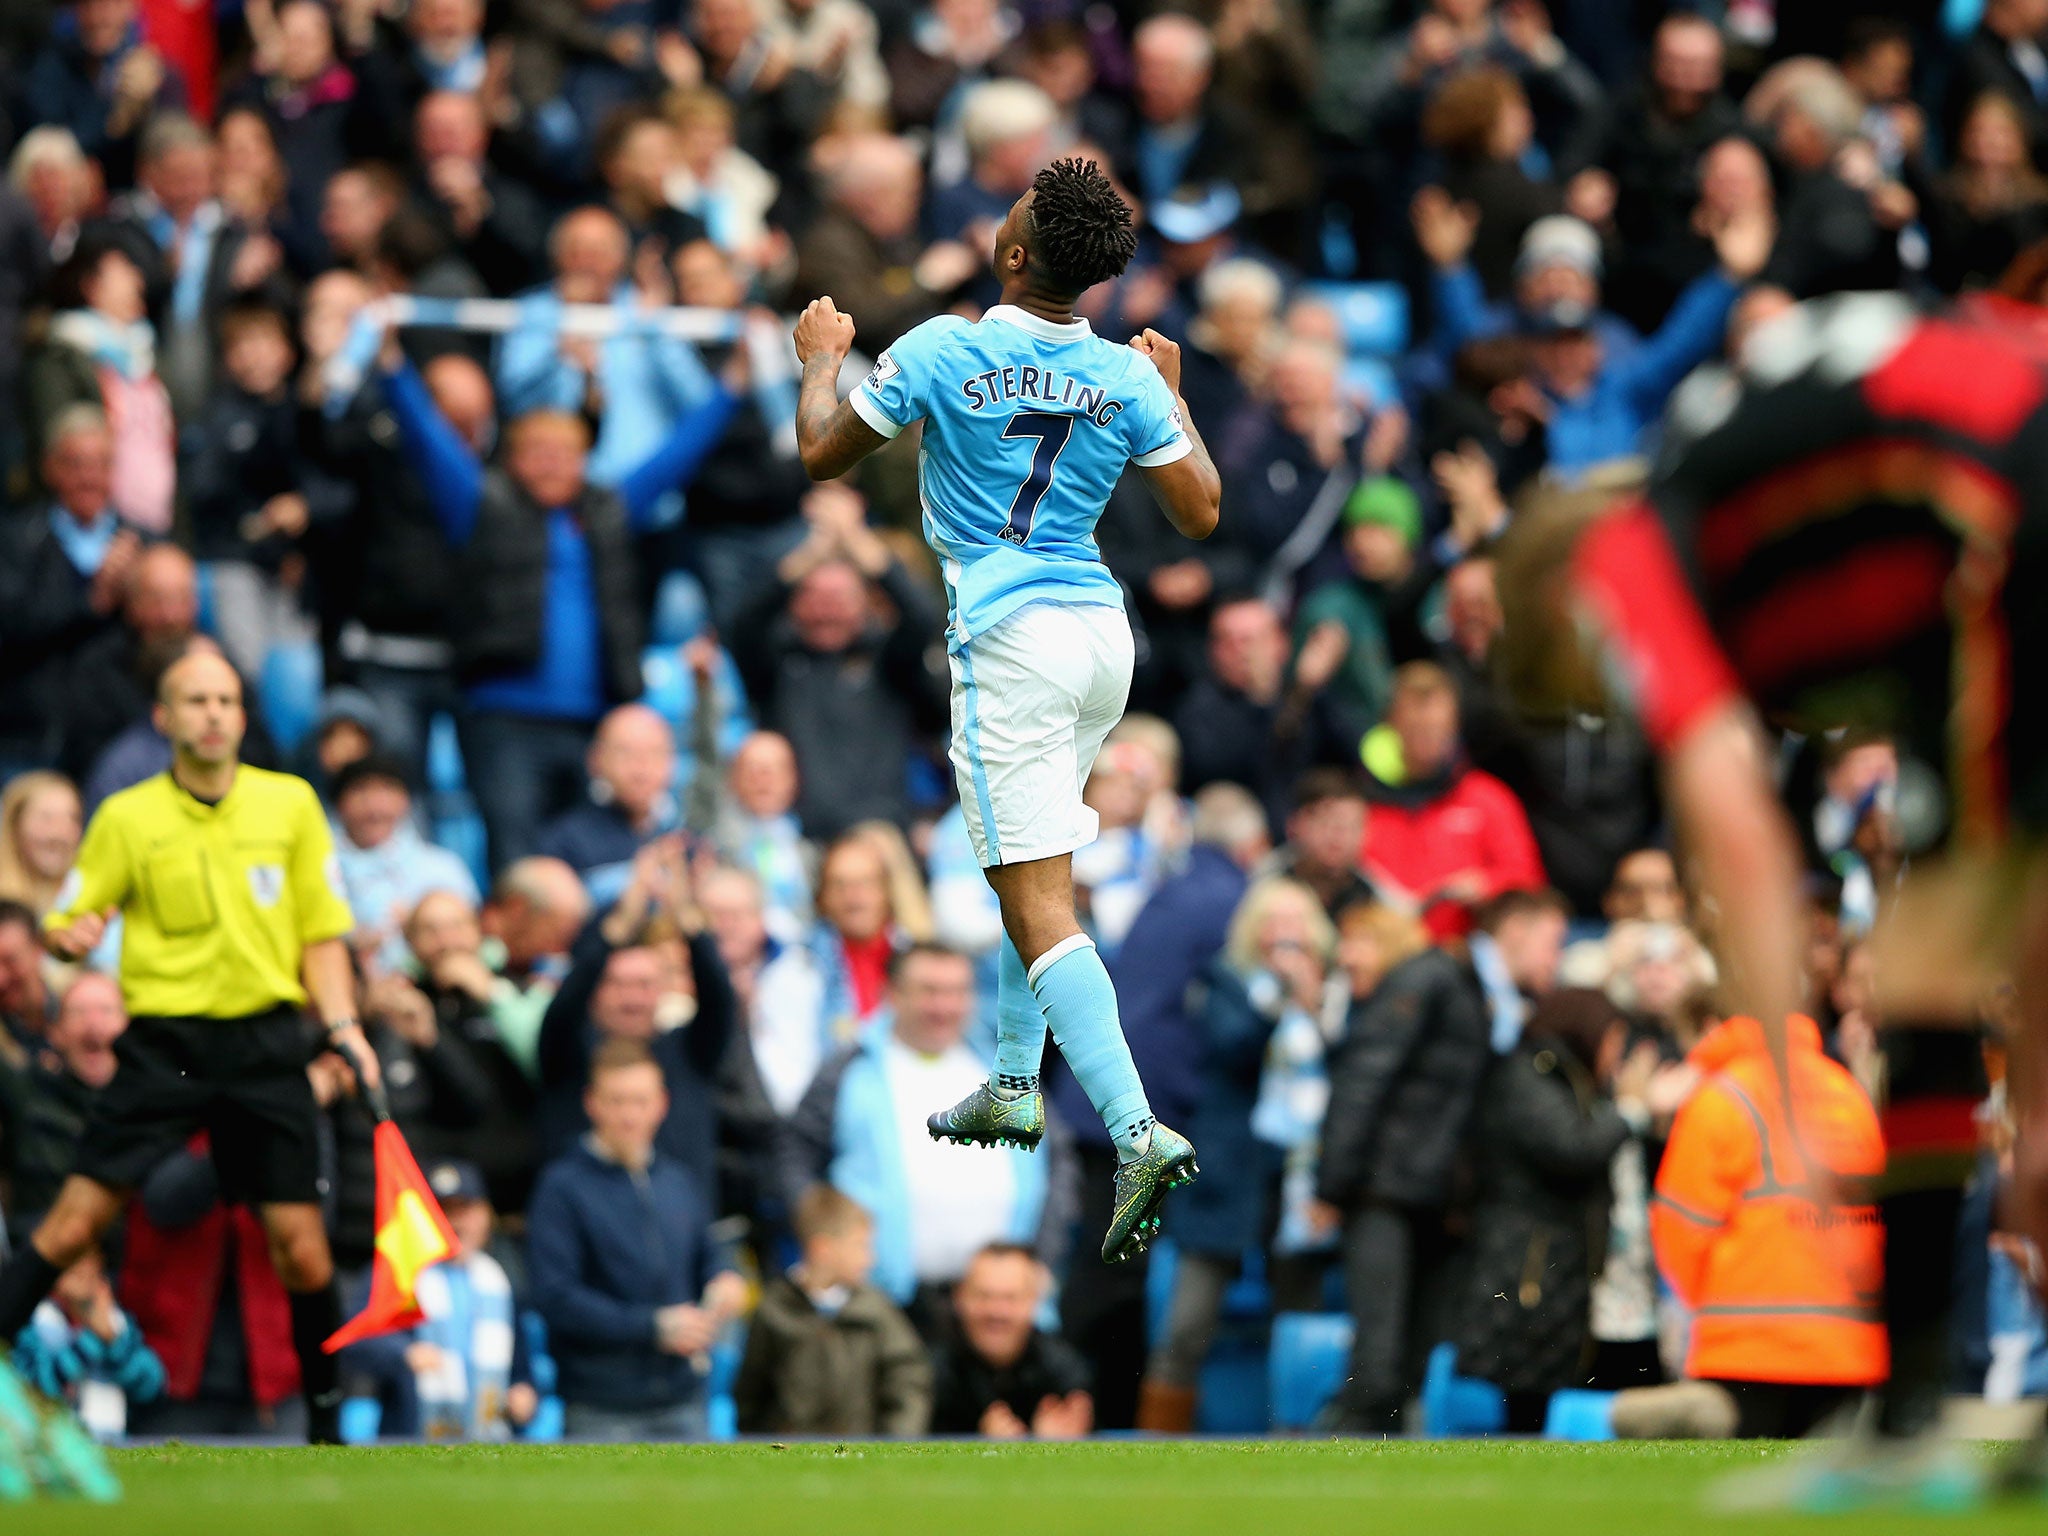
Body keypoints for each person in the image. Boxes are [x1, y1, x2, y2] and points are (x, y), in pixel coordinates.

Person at [1495, 284, 2048, 1497]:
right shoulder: (1773, 510)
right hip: (1997, 485)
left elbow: (1732, 822)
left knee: (1926, 977)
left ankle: (1900, 1423)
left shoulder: (1634, 558)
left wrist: (1788, 1079)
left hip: (2007, 503)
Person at [791, 156, 1223, 1264]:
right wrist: (1168, 390)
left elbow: (821, 454)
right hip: (1097, 637)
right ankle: (1014, 1081)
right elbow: (1200, 511)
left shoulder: (941, 347)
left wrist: (820, 363)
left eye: (1013, 215)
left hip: (1009, 643)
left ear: (1016, 254)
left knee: (1035, 904)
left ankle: (1133, 1133)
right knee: (1030, 870)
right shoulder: (1124, 376)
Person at [0, 648, 379, 1445]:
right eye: (195, 699)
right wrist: (74, 937)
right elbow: (70, 923)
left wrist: (343, 1028)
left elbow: (322, 935)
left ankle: (326, 1430)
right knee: (71, 1224)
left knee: (302, 1252)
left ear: (243, 716)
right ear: (164, 718)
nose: (212, 713)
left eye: (227, 699)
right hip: (167, 1046)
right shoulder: (128, 817)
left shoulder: (292, 806)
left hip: (266, 1041)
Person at [1313, 886, 1568, 1432]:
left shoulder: (1483, 996)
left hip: (1437, 1200)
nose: (1557, 959)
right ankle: (1326, 1473)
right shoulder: (1433, 977)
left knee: (1409, 1363)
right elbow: (1364, 1079)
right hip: (1384, 1191)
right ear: (1515, 932)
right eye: (1553, 942)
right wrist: (1332, 1186)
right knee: (1378, 1366)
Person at [1611, 1012, 1886, 1440]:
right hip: (1848, 1344)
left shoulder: (1723, 1096)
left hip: (1747, 1346)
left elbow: (1681, 1225)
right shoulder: (1847, 1092)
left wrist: (1710, 1300)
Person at [1139, 876, 1342, 1431]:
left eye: (1296, 921)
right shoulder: (1225, 982)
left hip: (1300, 1176)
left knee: (1299, 1320)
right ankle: (1158, 1439)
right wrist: (1280, 998)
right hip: (1228, 1176)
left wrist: (1316, 1005)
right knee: (1188, 1322)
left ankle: (1297, 1435)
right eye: (1273, 921)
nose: (1285, 935)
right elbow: (1232, 1046)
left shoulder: (1338, 991)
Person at [784, 944, 1071, 1323]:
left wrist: (1043, 1254)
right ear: (893, 994)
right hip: (881, 1302)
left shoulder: (1009, 1068)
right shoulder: (848, 1069)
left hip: (994, 1308)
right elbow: (795, 1158)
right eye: (929, 991)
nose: (944, 1007)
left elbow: (1059, 1162)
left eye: (956, 992)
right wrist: (826, 1241)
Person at [527, 1039, 748, 1442]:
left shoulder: (678, 1181)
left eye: (640, 1101)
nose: (629, 1115)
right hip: (600, 1407)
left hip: (684, 1400)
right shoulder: (562, 1187)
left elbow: (709, 1255)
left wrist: (725, 1279)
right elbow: (555, 1297)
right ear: (591, 1103)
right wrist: (652, 1327)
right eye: (617, 1101)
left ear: (661, 1104)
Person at [1453, 987, 1636, 1429]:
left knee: (1540, 1392)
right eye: (1613, 1041)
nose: (1617, 1057)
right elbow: (1573, 1149)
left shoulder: (1561, 1079)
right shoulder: (1529, 1076)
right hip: (1528, 1261)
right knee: (1525, 1394)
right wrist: (1633, 1110)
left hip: (1552, 1259)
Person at [1361, 661, 1546, 940]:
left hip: (1463, 949)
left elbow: (1527, 879)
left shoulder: (1486, 799)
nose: (1426, 738)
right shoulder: (1363, 803)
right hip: (1383, 949)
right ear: (1392, 724)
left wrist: (1487, 886)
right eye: (1415, 727)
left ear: (1454, 725)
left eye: (1436, 727)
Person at [733, 1184, 933, 1436]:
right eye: (861, 1246)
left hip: (864, 1458)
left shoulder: (876, 1309)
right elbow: (751, 1393)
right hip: (792, 1460)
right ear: (823, 1249)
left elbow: (907, 1379)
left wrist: (897, 1441)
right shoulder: (774, 1310)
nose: (869, 1259)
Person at [405, 1160, 541, 1441]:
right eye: (443, 1211)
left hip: (487, 1437)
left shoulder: (500, 1279)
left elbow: (520, 1365)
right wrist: (402, 1354)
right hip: (413, 1432)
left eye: (464, 1209)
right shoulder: (402, 1274)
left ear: (485, 1215)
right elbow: (361, 1340)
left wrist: (523, 1391)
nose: (455, 1222)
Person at [330, 753, 481, 973]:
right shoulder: (319, 868)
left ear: (406, 800)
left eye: (387, 790)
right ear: (339, 804)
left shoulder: (444, 867)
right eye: (360, 790)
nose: (375, 805)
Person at [928, 1243, 1094, 1438]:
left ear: (1034, 1301)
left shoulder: (1065, 1375)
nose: (997, 1311)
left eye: (1010, 1298)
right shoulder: (928, 1375)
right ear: (959, 1297)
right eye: (984, 1296)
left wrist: (1053, 1447)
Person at [536, 704, 680, 905]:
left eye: (655, 753)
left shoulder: (687, 837)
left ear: (672, 762)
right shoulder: (565, 844)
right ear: (596, 759)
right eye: (626, 754)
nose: (641, 769)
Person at [0, 773, 83, 920]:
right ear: (14, 825)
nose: (60, 834)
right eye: (47, 818)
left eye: (72, 819)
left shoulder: (92, 896)